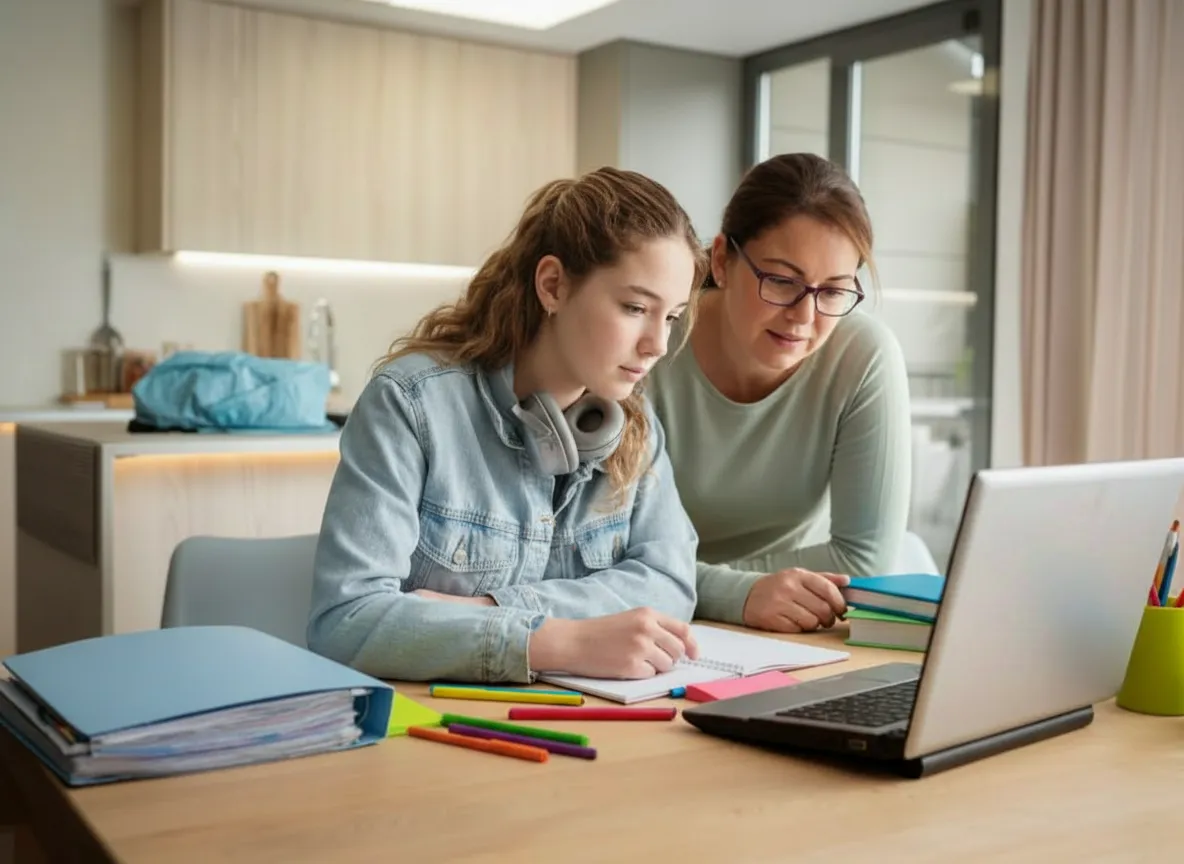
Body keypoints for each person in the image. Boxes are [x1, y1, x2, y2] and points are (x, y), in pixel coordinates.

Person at [307, 167, 708, 683]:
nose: (658, 344)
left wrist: (494, 608)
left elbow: (670, 583)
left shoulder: (636, 422)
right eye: (635, 307)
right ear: (553, 286)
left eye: (671, 316)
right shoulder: (411, 404)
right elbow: (345, 621)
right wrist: (557, 642)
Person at [646, 153, 912, 635]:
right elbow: (602, 555)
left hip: (802, 623)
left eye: (833, 291)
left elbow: (864, 560)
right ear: (722, 260)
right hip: (658, 621)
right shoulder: (651, 346)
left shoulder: (862, 357)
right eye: (783, 282)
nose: (804, 318)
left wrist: (692, 581)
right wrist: (738, 593)